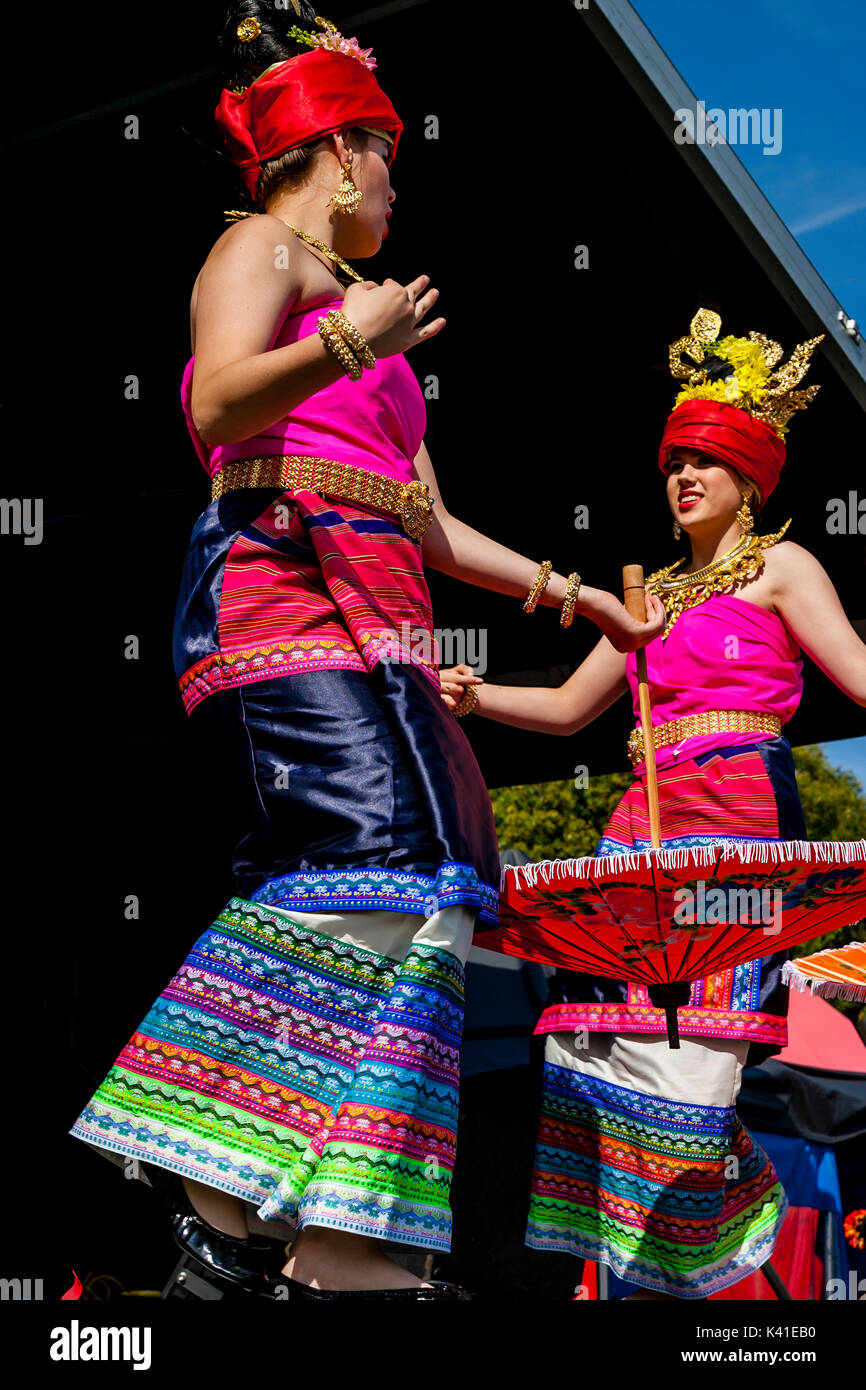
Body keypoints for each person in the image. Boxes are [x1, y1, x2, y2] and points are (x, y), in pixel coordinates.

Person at [68, 3, 662, 1301]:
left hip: (382, 625)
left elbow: (432, 522)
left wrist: (580, 596)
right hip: (281, 600)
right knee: (381, 866)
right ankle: (219, 1201)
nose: (397, 182)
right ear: (338, 151)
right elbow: (217, 400)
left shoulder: (374, 332)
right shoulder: (258, 251)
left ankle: (339, 1246)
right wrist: (346, 340)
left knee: (441, 894)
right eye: (388, 156)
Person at [440, 306, 866, 1298]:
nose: (682, 477)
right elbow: (562, 708)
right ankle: (654, 1277)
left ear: (750, 477)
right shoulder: (646, 599)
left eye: (704, 463)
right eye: (672, 461)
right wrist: (471, 694)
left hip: (737, 839)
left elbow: (856, 673)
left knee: (700, 1070)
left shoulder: (781, 568)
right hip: (639, 835)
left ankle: (727, 1244)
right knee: (610, 1059)